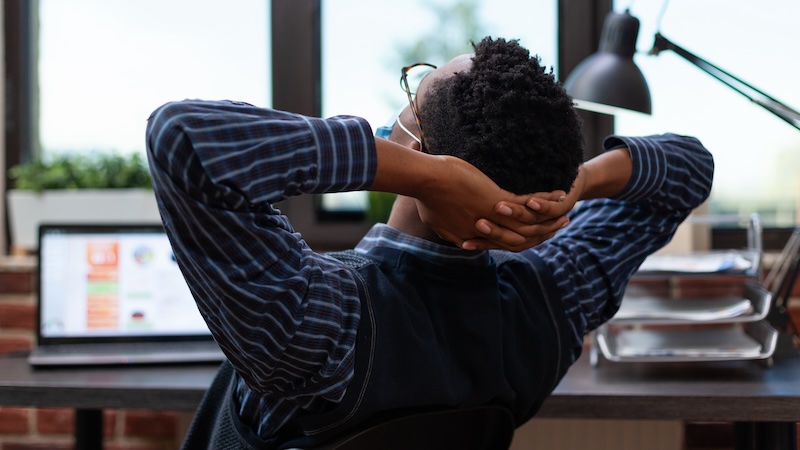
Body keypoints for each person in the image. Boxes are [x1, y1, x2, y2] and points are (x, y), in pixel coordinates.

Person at [145, 37, 714, 449]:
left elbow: (184, 139)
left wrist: (427, 176)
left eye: (411, 94)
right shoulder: (556, 301)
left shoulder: (318, 324)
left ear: (414, 145)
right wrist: (580, 182)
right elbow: (691, 166)